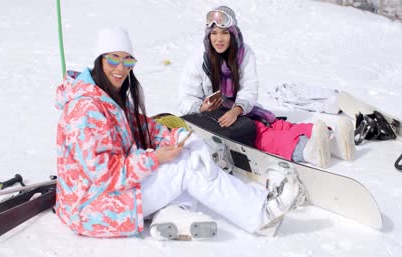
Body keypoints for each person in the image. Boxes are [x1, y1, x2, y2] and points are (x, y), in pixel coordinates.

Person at [54, 26, 305, 240]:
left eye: (128, 60)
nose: (121, 68)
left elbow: (145, 127)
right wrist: (155, 159)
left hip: (103, 198)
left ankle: (172, 211)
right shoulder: (86, 109)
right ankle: (261, 213)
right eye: (113, 59)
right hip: (92, 209)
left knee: (186, 159)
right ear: (99, 59)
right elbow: (105, 175)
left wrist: (186, 139)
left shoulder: (106, 96)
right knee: (185, 168)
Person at [178, 6, 355, 169]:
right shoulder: (199, 59)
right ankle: (306, 149)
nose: (218, 38)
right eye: (214, 33)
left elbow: (249, 88)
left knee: (274, 123)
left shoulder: (243, 53)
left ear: (232, 33)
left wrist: (237, 109)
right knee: (259, 131)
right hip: (212, 117)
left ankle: (333, 143)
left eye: (224, 33)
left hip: (240, 110)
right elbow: (185, 98)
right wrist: (201, 107)